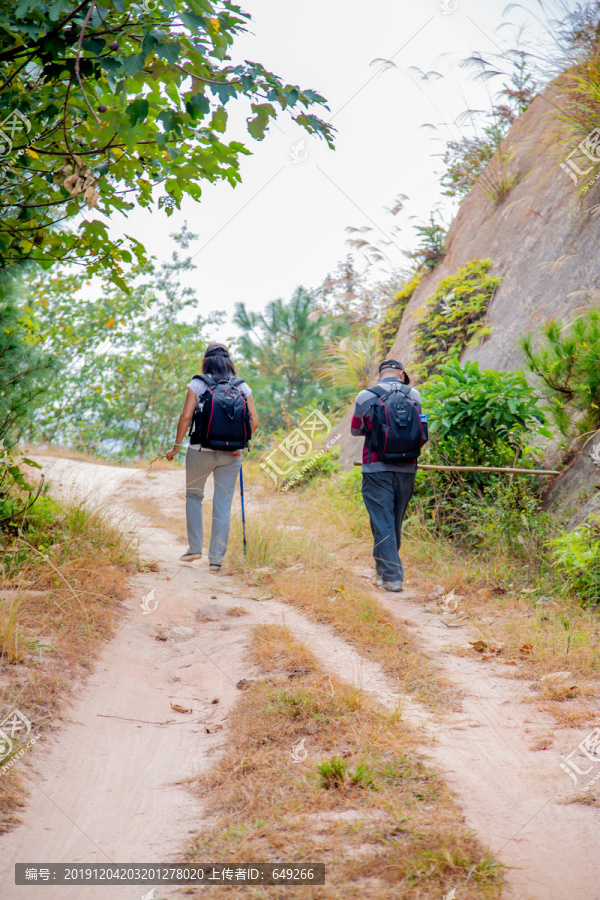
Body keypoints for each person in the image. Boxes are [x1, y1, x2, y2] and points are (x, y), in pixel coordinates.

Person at [166, 343, 258, 570]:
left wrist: (176, 447)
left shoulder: (198, 383)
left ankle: (194, 549)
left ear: (206, 360)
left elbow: (186, 417)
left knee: (194, 497)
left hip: (200, 451)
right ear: (229, 361)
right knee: (223, 504)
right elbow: (254, 422)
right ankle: (216, 561)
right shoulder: (242, 387)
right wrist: (237, 440)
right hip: (232, 454)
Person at [351, 359, 423, 592]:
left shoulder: (366, 396)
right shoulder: (414, 395)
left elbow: (355, 429)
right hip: (408, 467)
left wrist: (373, 429)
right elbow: (418, 429)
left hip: (376, 467)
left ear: (380, 375)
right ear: (401, 374)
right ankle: (383, 572)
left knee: (382, 523)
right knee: (393, 522)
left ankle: (392, 577)